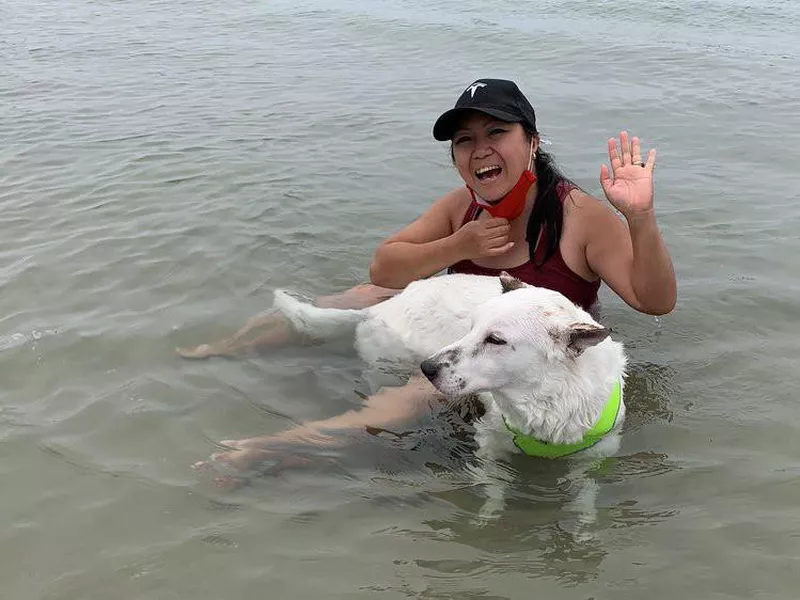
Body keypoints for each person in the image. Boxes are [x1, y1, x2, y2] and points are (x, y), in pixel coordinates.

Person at [188, 78, 677, 483]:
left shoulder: (579, 217)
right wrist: (458, 247)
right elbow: (383, 267)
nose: (479, 150)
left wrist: (641, 218)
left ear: (532, 141)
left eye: (496, 133)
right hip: (454, 328)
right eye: (464, 140)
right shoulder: (459, 206)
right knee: (362, 294)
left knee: (414, 398)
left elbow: (655, 302)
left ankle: (271, 449)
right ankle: (228, 348)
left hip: (523, 358)